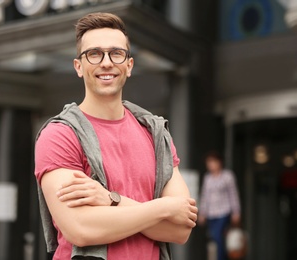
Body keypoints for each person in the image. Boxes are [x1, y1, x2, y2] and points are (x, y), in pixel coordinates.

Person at [34, 12, 198, 260]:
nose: (107, 62)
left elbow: (180, 229)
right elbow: (81, 228)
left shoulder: (155, 133)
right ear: (79, 66)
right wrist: (163, 208)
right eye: (94, 54)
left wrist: (110, 200)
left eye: (116, 53)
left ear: (129, 65)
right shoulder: (60, 135)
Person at [198, 151, 241, 260]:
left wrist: (236, 212)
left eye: (213, 162)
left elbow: (233, 194)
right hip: (211, 214)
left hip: (223, 212)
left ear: (219, 162)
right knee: (213, 238)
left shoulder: (227, 176)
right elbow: (204, 196)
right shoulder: (207, 178)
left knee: (218, 238)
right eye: (209, 162)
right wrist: (202, 213)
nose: (210, 165)